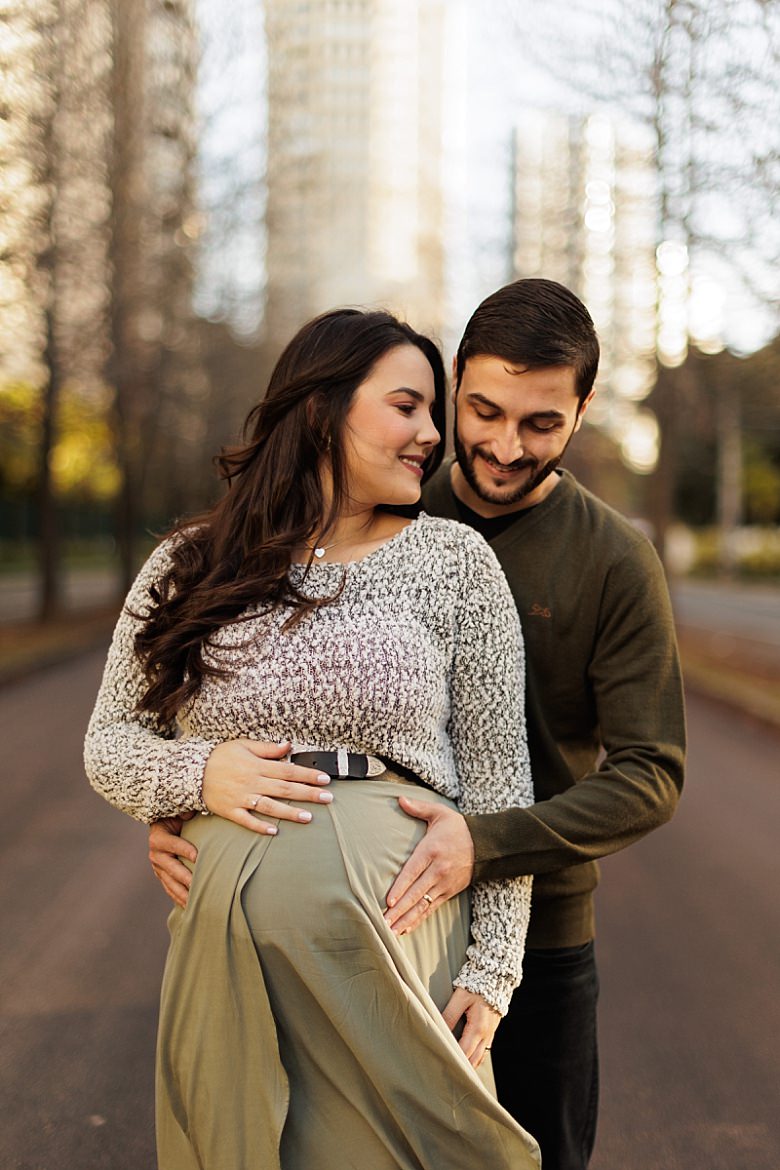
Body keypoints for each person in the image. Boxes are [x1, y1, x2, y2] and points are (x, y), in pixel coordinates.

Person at [149, 278, 686, 1170]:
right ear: (454, 387)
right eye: (482, 410)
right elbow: (262, 683)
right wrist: (181, 803)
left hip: (538, 936)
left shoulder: (615, 559)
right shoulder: (378, 500)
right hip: (373, 939)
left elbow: (650, 775)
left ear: (582, 412)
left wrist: (489, 844)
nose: (504, 446)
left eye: (542, 424)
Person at [84, 307, 541, 1170]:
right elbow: (109, 742)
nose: (430, 435)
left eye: (432, 414)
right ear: (323, 409)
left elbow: (498, 784)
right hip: (229, 947)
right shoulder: (190, 562)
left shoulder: (455, 562)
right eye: (406, 406)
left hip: (398, 947)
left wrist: (493, 970)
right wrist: (199, 773)